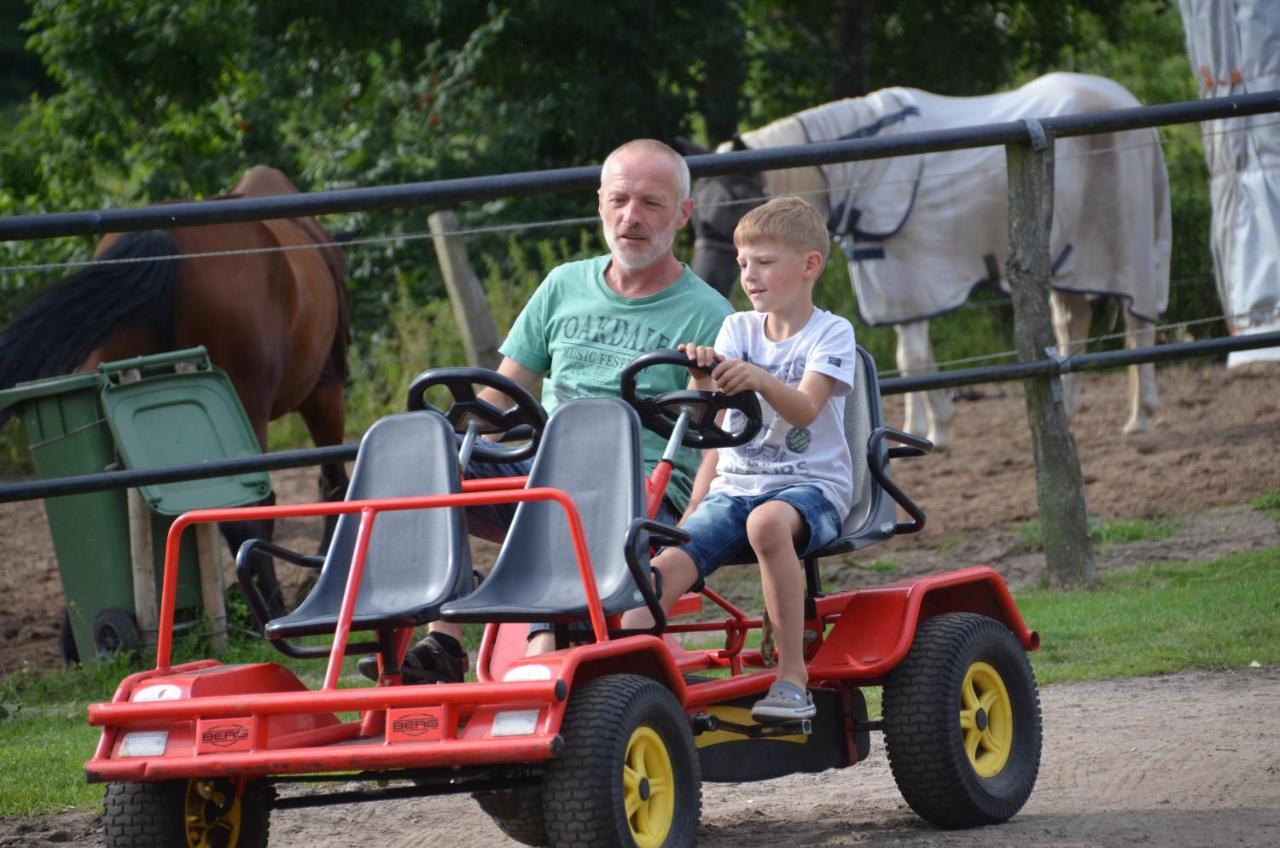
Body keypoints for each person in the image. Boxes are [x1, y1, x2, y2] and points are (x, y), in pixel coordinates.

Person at [358, 139, 733, 683]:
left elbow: (713, 434)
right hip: (542, 473)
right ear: (600, 202)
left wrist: (703, 386)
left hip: (643, 494)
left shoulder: (709, 314)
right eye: (620, 199)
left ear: (682, 214)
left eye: (651, 203)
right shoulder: (563, 285)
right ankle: (440, 640)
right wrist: (441, 440)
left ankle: (542, 644)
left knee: (568, 476)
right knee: (424, 459)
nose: (632, 217)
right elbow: (500, 395)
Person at [619, 195, 856, 723]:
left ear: (809, 265)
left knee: (768, 524)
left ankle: (792, 678)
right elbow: (708, 428)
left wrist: (760, 379)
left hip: (810, 488)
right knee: (667, 560)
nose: (749, 275)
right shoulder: (737, 331)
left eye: (765, 262)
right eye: (744, 263)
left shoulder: (830, 331)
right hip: (734, 486)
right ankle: (621, 678)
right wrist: (701, 378)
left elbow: (804, 410)